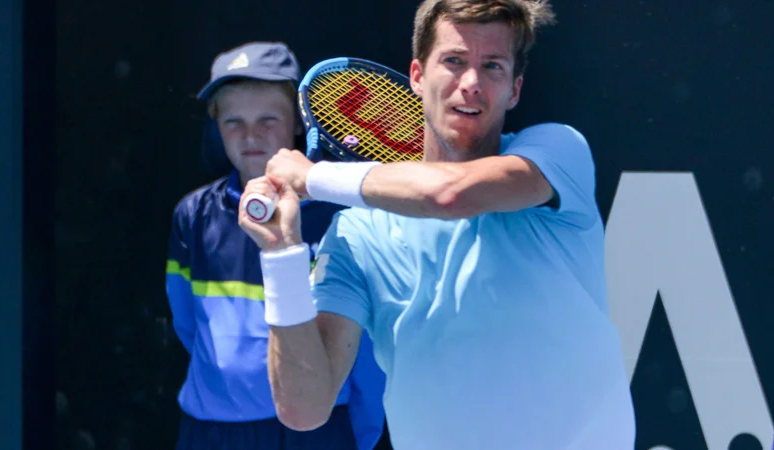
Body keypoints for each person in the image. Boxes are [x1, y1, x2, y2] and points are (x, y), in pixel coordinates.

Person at [238, 1, 636, 449]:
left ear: (515, 88)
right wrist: (281, 254)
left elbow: (450, 196)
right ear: (417, 76)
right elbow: (304, 409)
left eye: (493, 67)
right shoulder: (358, 235)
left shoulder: (557, 152)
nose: (472, 84)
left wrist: (312, 178)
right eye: (454, 61)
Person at [165, 41, 386, 450]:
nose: (250, 135)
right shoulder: (191, 216)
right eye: (233, 121)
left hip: (319, 430)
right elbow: (189, 327)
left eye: (268, 118)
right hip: (211, 431)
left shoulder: (343, 215)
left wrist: (362, 433)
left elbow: (364, 350)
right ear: (215, 124)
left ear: (299, 123)